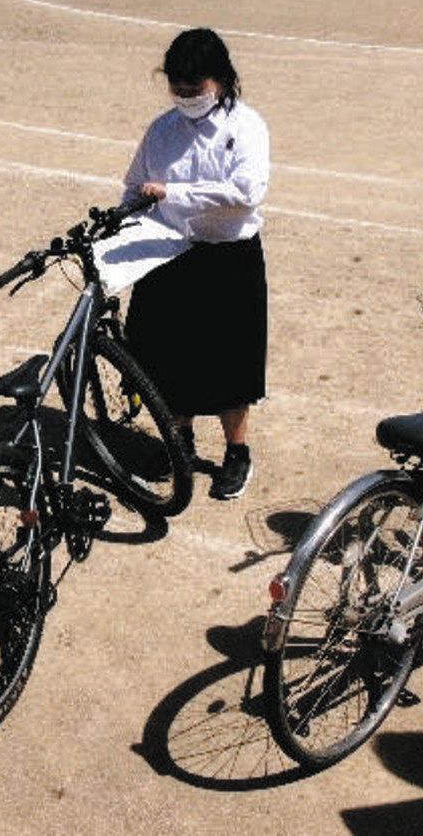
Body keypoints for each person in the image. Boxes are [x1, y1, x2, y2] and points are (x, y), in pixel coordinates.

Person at [122, 28, 270, 501]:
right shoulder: (161, 129)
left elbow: (247, 191)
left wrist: (174, 193)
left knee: (231, 364)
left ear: (221, 81)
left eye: (195, 89)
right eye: (178, 89)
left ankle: (236, 453)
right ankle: (178, 442)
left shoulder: (245, 127)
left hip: (228, 258)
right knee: (167, 360)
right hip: (168, 255)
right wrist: (121, 226)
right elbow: (134, 187)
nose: (186, 98)